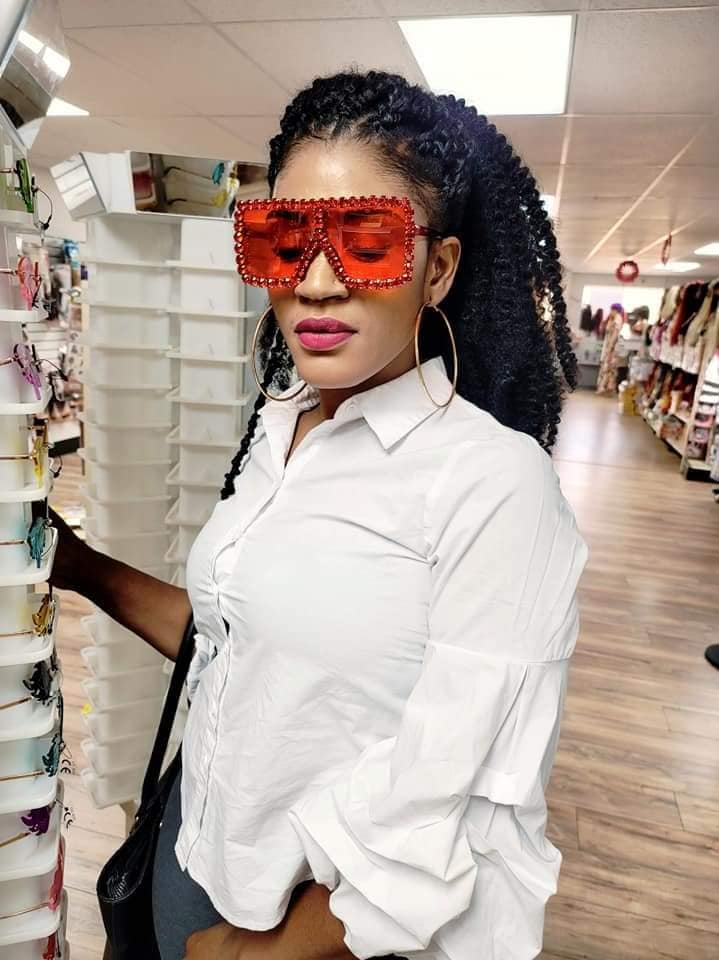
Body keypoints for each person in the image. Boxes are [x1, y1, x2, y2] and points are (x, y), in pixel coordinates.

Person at [51, 69, 588, 960]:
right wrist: (79, 567)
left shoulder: (493, 485)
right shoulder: (278, 430)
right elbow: (235, 645)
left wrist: (252, 954)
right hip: (197, 851)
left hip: (316, 930)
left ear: (438, 268)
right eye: (283, 239)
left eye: (368, 241)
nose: (317, 282)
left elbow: (469, 807)